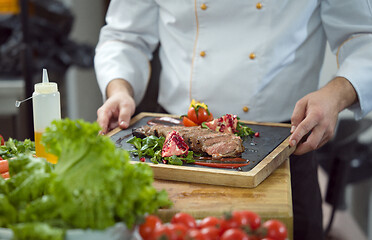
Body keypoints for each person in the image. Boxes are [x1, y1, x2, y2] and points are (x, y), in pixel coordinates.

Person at [94, 1, 372, 239]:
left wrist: (335, 95)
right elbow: (124, 36)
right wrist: (119, 90)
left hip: (284, 150)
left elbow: (363, 38)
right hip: (170, 150)